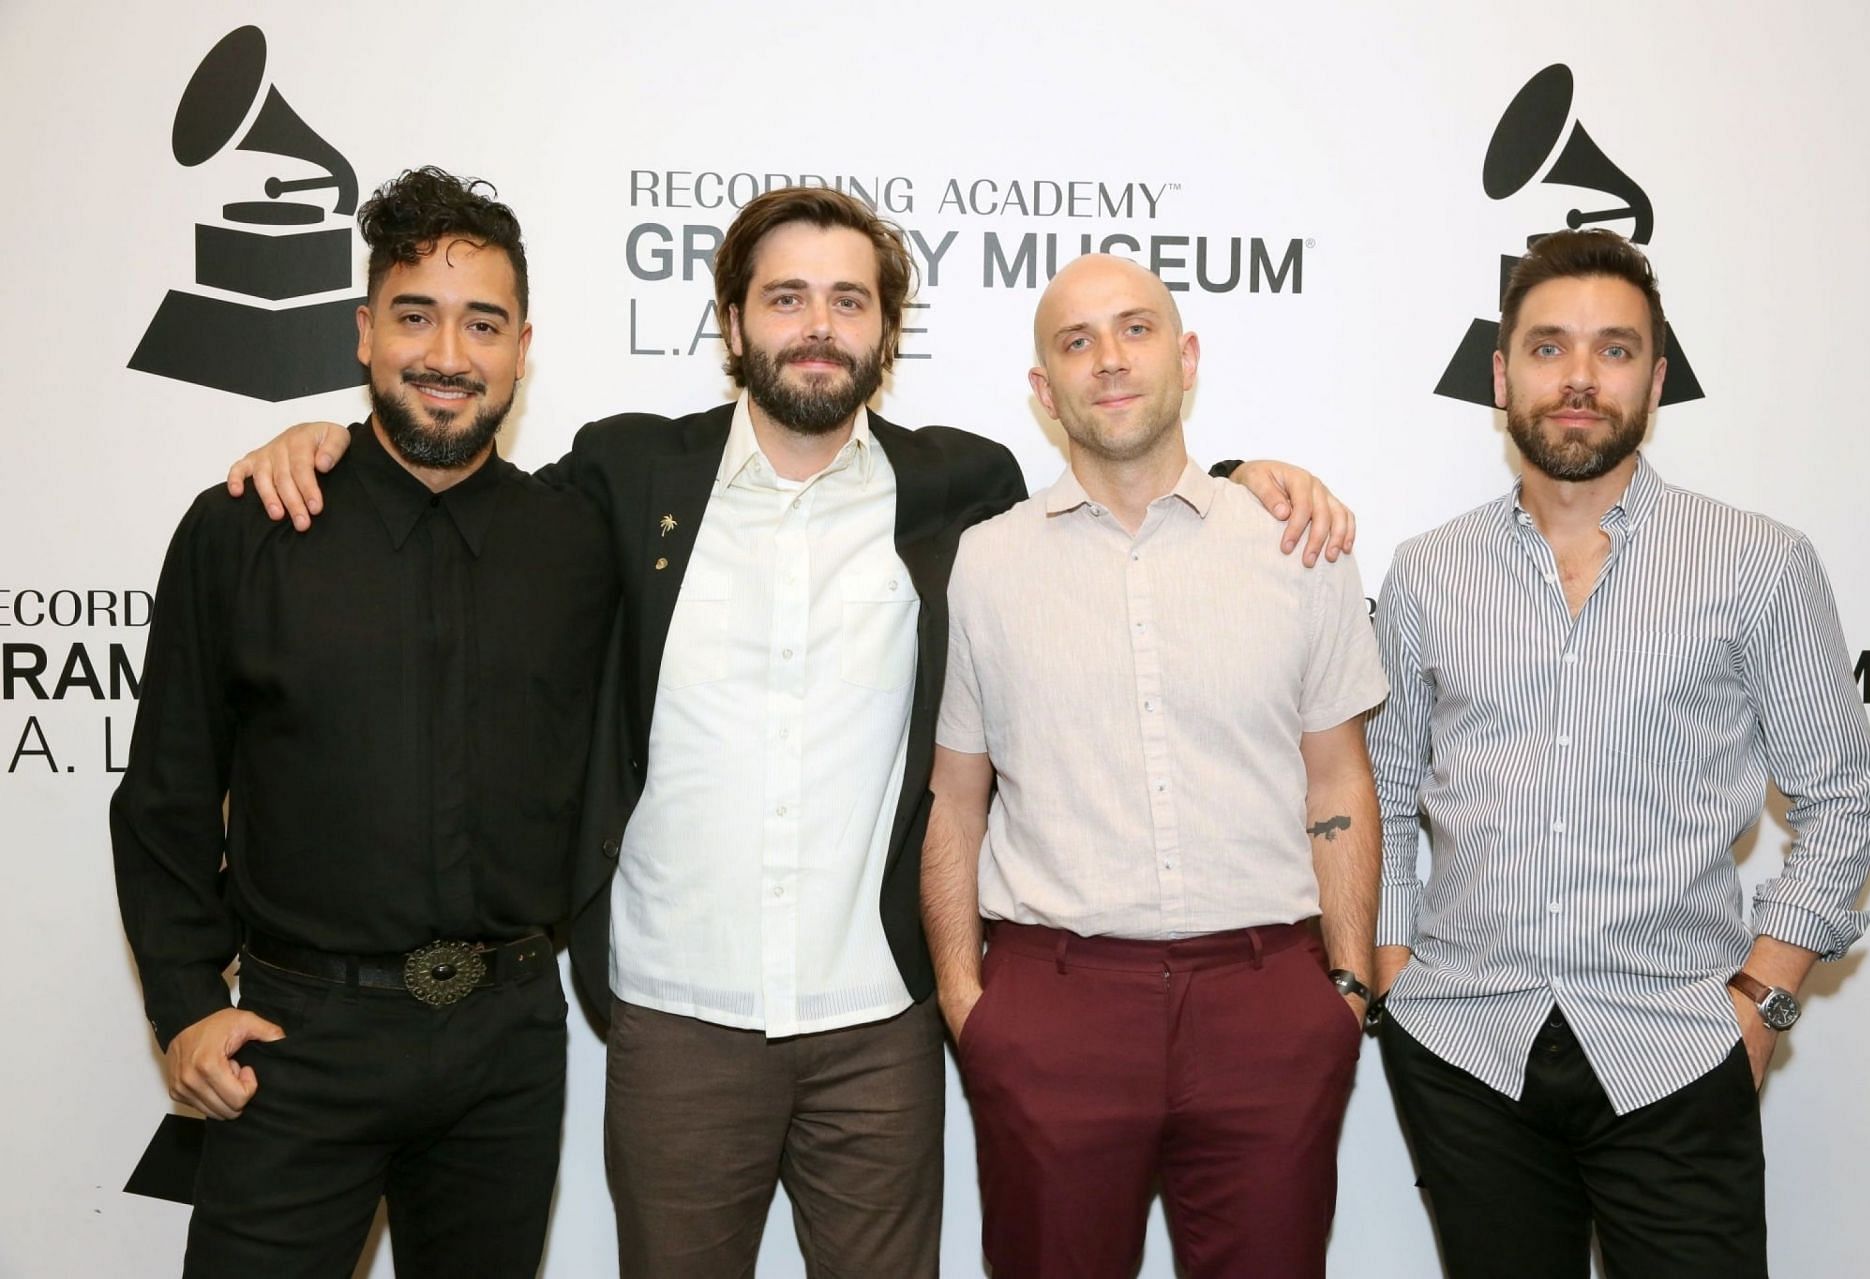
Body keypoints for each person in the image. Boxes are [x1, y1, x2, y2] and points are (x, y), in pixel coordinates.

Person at [227, 187, 1352, 1277]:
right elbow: (457, 479)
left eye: (850, 302)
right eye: (786, 299)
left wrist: (1251, 480)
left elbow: (1128, 480)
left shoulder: (961, 485)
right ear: (732, 322)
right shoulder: (628, 472)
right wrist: (333, 438)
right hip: (676, 1016)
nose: (818, 327)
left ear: (884, 334)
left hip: (879, 1022)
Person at [111, 168, 616, 1278]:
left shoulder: (581, 545)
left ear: (524, 347)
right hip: (299, 1044)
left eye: (481, 322)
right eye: (414, 316)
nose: (448, 353)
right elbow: (166, 793)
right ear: (361, 332)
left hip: (508, 1051)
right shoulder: (246, 527)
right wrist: (189, 1006)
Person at [1367, 228, 1870, 1277]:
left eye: (1613, 350)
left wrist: (1765, 997)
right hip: (1467, 1052)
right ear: (1504, 373)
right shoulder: (1426, 574)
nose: (1578, 378)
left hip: (1680, 1050)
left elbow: (1846, 797)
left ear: (1655, 381)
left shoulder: (1760, 562)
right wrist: (1391, 968)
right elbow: (1380, 792)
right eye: (1550, 346)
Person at [920, 253, 1386, 1278]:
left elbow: (1341, 777)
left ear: (1186, 358)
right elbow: (956, 801)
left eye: (1134, 329)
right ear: (1044, 391)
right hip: (1055, 1007)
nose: (1109, 360)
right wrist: (968, 1000)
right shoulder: (988, 564)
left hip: (1266, 1000)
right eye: (1074, 342)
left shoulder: (1295, 545)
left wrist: (1343, 988)